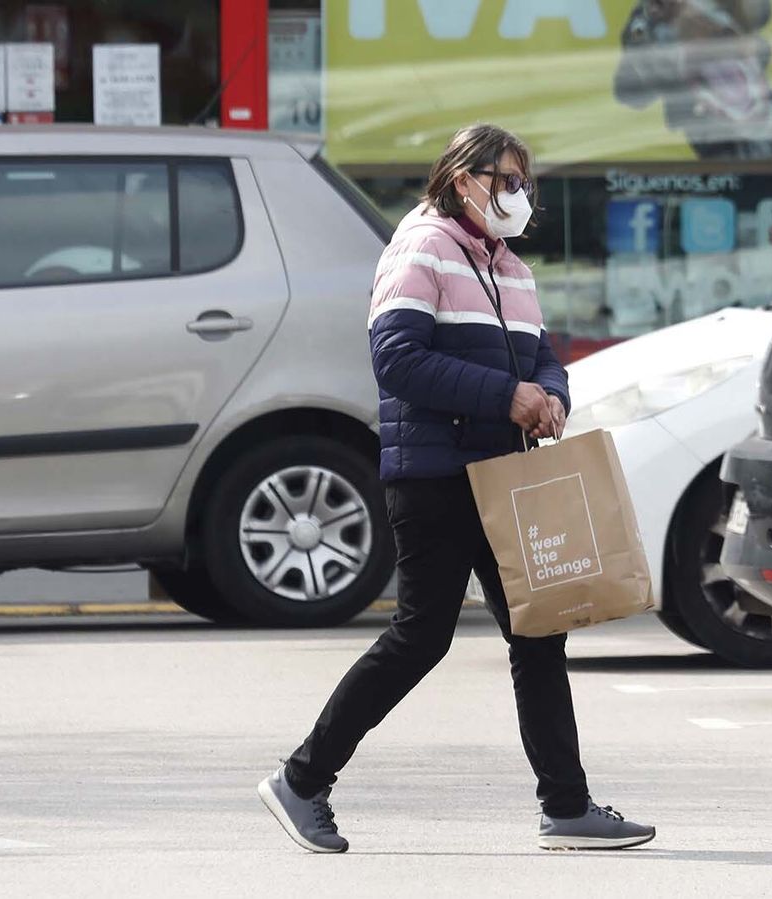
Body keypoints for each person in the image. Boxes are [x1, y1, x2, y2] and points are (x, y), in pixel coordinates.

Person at [256, 123, 655, 854]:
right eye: (505, 179)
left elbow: (546, 356)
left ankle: (565, 807)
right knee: (421, 636)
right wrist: (508, 396)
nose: (518, 194)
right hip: (436, 477)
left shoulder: (510, 266)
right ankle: (302, 780)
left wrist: (551, 392)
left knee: (538, 632)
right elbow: (397, 360)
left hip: (501, 477)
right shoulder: (423, 246)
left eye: (522, 181)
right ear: (463, 179)